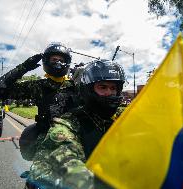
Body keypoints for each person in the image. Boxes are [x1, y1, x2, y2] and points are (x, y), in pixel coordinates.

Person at [26, 59, 125, 189]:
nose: (109, 93)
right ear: (88, 90)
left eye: (113, 88)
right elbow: (68, 166)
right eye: (103, 87)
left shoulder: (115, 121)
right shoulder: (66, 125)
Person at [0, 43, 80, 160]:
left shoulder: (77, 87)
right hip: (46, 145)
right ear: (46, 61)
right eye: (54, 59)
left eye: (61, 60)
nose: (58, 63)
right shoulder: (37, 86)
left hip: (74, 144)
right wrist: (24, 67)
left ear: (67, 63)